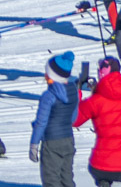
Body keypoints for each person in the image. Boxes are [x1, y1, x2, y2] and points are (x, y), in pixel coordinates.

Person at [72, 57, 121, 187]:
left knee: (100, 173)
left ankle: (104, 184)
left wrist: (77, 92)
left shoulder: (95, 101)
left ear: (102, 72)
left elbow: (75, 120)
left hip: (104, 165)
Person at [30, 52, 78, 187]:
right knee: (67, 177)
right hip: (68, 138)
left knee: (51, 179)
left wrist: (34, 144)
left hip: (51, 142)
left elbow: (41, 122)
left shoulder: (49, 95)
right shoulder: (73, 89)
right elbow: (73, 118)